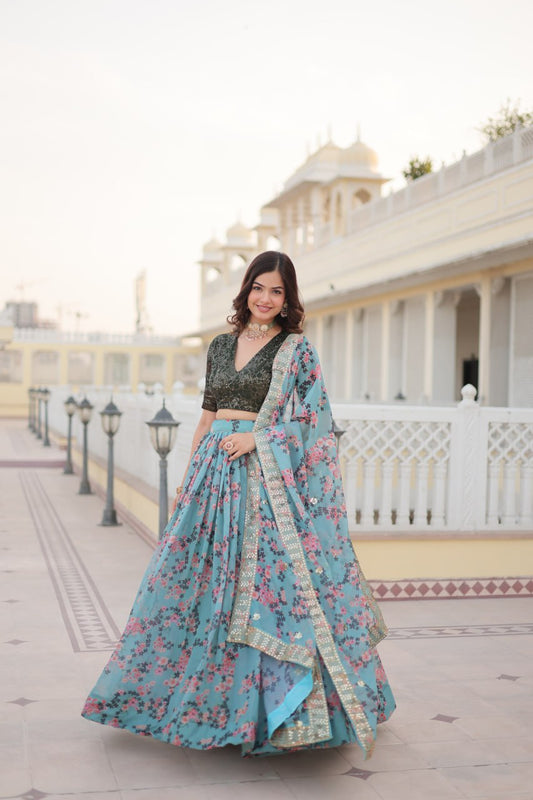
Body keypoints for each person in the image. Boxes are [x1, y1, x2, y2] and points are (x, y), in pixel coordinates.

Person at [82, 251, 395, 757]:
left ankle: (264, 716)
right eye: (258, 287)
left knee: (269, 592)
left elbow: (316, 425)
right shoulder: (221, 345)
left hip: (263, 481)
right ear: (245, 289)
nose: (266, 299)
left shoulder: (297, 350)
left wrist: (259, 439)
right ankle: (200, 705)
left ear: (288, 298)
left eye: (277, 291)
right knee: (197, 583)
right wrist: (188, 481)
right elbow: (207, 417)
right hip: (212, 474)